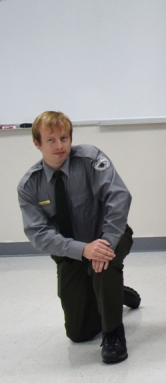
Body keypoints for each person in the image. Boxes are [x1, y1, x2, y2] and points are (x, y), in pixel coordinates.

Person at [17, 111, 141, 364]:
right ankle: (116, 294)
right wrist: (83, 249)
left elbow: (119, 198)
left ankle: (113, 334)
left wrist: (103, 243)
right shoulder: (30, 185)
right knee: (79, 333)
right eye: (50, 140)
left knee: (103, 266)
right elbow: (38, 234)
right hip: (72, 251)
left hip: (109, 237)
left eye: (64, 138)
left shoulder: (90, 159)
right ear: (37, 143)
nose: (59, 145)